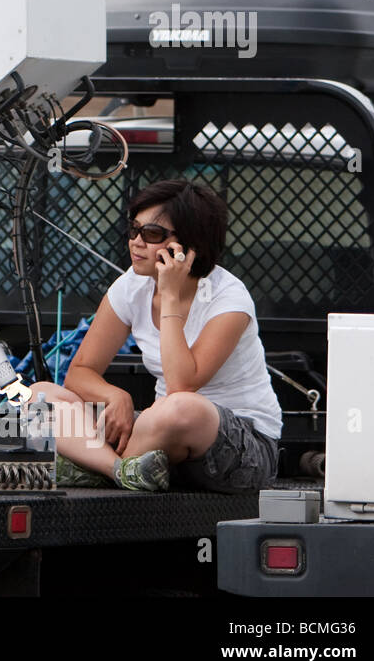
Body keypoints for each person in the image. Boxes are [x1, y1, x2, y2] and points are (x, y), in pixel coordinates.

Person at [29, 178, 281, 492]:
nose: (136, 242)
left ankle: (92, 465)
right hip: (159, 436)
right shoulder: (130, 286)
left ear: (190, 245)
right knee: (39, 396)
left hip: (242, 446)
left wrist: (170, 296)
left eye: (151, 234)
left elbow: (181, 386)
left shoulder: (229, 299)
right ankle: (118, 470)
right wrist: (114, 395)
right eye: (133, 229)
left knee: (181, 408)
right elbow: (79, 373)